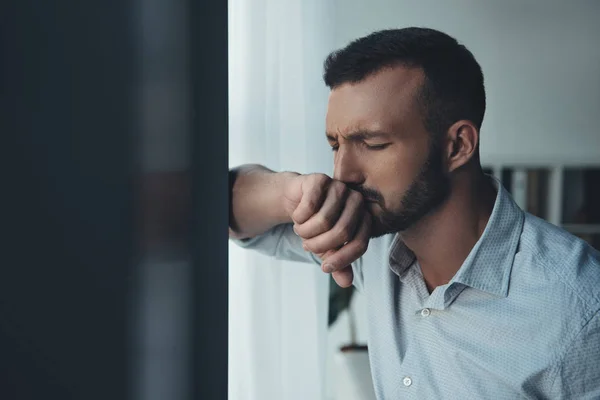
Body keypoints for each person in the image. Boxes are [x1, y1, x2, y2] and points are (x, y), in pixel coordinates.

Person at [229, 27, 600, 399]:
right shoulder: (365, 233)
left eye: (373, 144)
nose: (344, 173)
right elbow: (226, 212)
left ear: (457, 145)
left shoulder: (580, 310)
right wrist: (289, 191)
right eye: (335, 144)